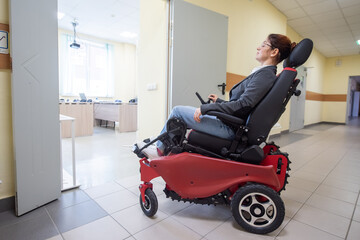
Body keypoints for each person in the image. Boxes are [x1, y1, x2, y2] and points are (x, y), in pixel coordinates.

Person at [137, 33, 296, 159]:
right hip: (232, 123)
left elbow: (244, 104)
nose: (258, 47)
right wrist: (218, 101)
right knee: (181, 112)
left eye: (263, 45)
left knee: (177, 111)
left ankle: (158, 150)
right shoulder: (263, 73)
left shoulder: (265, 75)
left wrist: (207, 108)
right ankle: (162, 143)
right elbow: (244, 104)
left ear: (274, 52)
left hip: (231, 129)